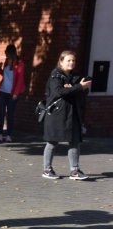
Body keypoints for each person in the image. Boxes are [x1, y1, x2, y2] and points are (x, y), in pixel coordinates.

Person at [42, 51, 92, 180]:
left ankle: (74, 170)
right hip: (57, 113)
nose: (71, 63)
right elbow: (59, 92)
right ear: (61, 61)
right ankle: (47, 169)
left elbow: (78, 93)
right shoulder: (56, 75)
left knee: (74, 141)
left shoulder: (76, 76)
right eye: (68, 60)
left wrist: (82, 88)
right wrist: (77, 87)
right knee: (52, 141)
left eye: (73, 61)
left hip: (72, 113)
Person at [0, 44, 25, 142]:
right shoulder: (6, 62)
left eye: (6, 53)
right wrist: (0, 69)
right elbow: (6, 76)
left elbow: (20, 80)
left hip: (12, 93)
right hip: (2, 91)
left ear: (10, 52)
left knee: (10, 114)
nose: (5, 54)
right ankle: (0, 134)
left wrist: (16, 93)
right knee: (1, 113)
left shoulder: (19, 63)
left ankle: (8, 135)